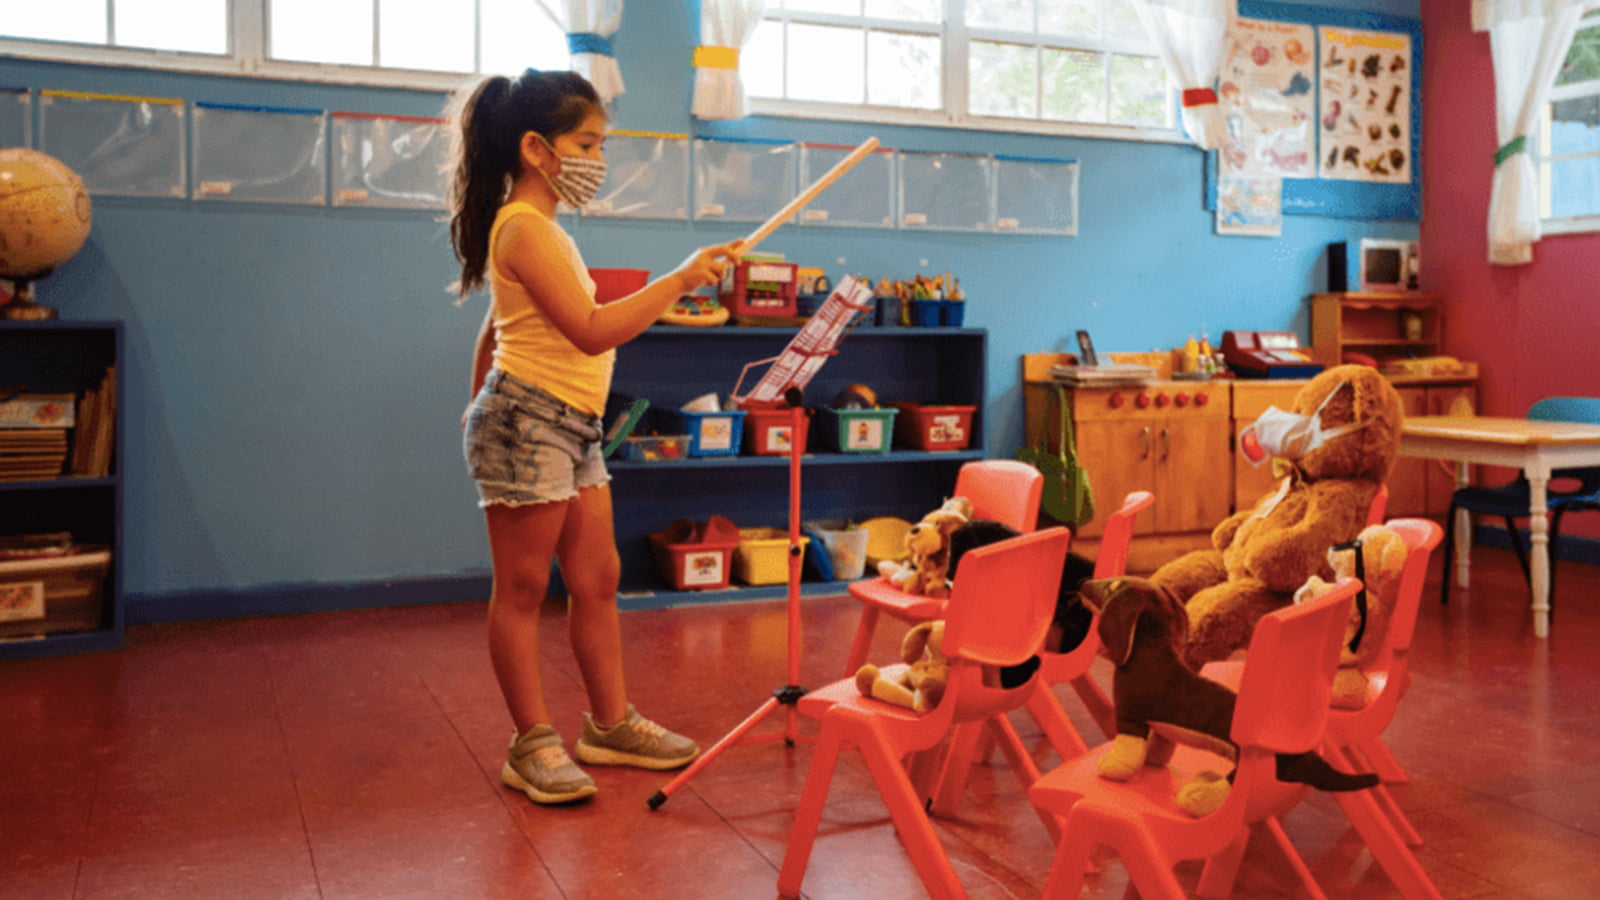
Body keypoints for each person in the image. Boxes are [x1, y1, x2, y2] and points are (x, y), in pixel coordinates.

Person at [445, 69, 742, 805]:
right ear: (538, 148)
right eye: (588, 143)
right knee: (521, 589)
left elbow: (499, 328)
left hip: (565, 425)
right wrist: (677, 281)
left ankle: (608, 726)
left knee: (596, 578)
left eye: (601, 144)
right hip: (530, 422)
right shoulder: (522, 226)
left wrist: (475, 397)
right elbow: (589, 331)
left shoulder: (541, 230)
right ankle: (531, 745)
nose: (598, 160)